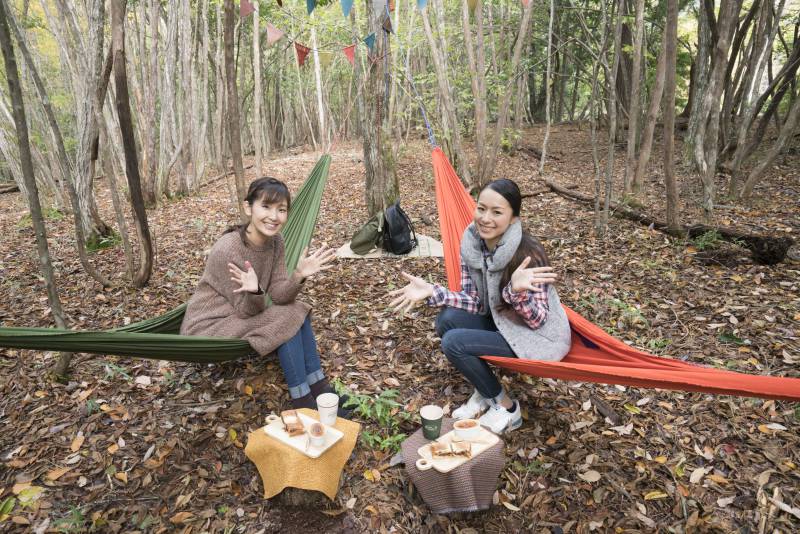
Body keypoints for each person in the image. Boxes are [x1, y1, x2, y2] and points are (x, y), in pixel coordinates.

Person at [389, 179, 571, 433]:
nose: (486, 218)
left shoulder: (527, 253)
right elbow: (474, 301)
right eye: (481, 208)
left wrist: (515, 292)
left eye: (497, 212)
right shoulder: (472, 245)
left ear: (514, 219)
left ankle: (507, 408)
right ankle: (486, 392)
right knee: (446, 320)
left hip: (538, 337)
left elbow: (539, 320)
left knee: (454, 342)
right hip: (502, 322)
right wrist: (433, 291)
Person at [181, 177, 348, 415]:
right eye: (266, 207)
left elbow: (280, 295)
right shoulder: (229, 248)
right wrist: (257, 291)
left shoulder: (276, 241)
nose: (274, 216)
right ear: (248, 208)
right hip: (209, 325)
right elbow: (246, 310)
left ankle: (321, 390)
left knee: (295, 308)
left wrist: (299, 275)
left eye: (281, 209)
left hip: (238, 315)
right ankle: (304, 403)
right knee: (286, 317)